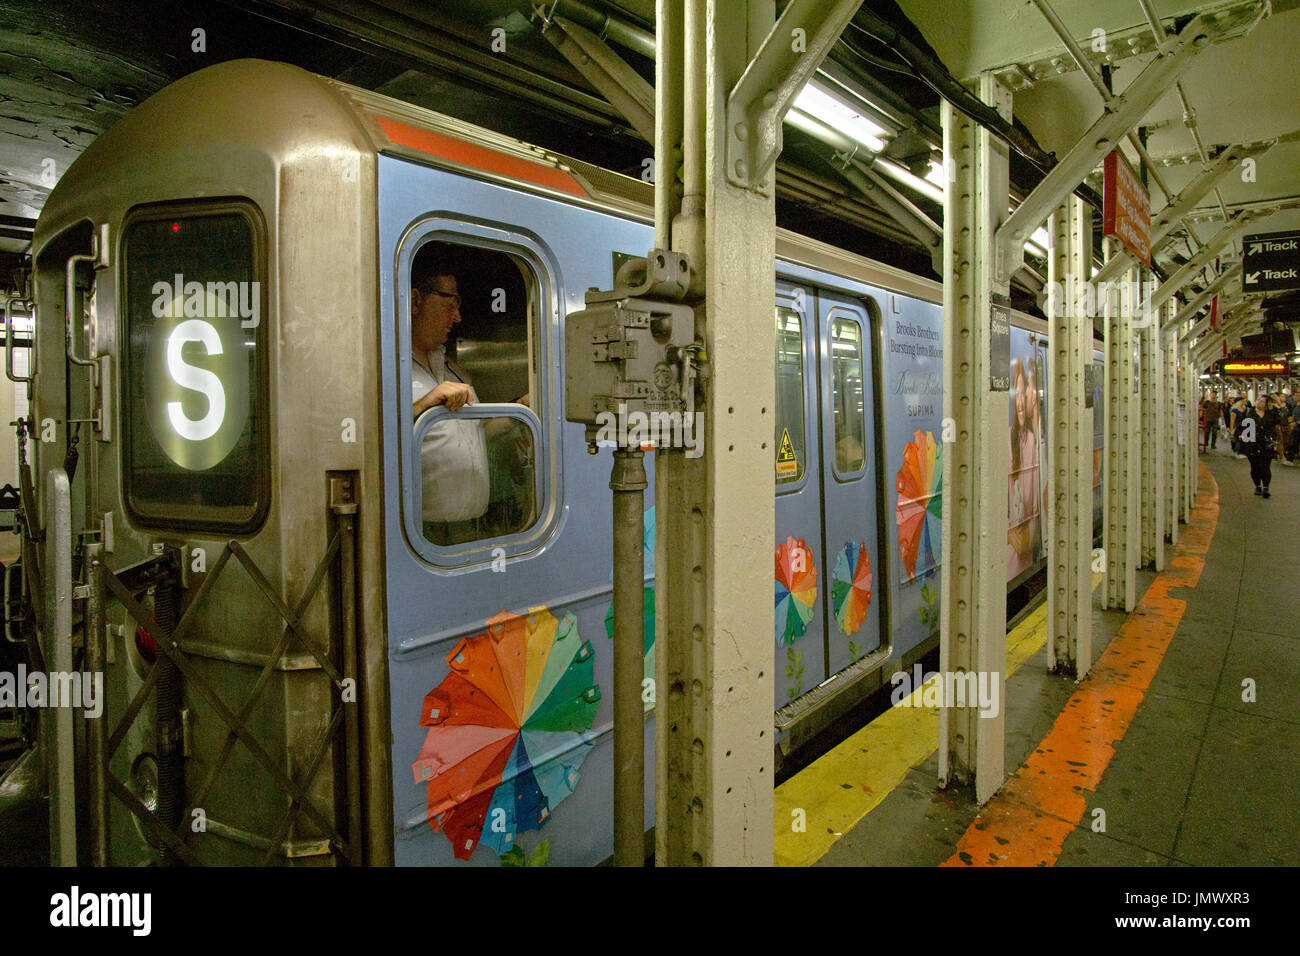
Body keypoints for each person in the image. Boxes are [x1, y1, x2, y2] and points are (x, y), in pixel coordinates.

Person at [410, 253, 490, 545]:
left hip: (476, 525)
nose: (457, 317)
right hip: (426, 533)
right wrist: (424, 404)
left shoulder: (453, 369)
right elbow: (374, 444)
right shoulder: (388, 371)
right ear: (416, 301)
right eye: (450, 304)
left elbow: (480, 431)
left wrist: (520, 409)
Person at [1233, 395, 1280, 498]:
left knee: (1266, 466)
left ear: (1267, 404)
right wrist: (1239, 435)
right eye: (1258, 400)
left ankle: (1266, 487)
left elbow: (1279, 424)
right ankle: (1257, 486)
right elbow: (1240, 426)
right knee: (1255, 466)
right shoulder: (1249, 414)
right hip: (1252, 443)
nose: (1259, 402)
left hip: (1266, 444)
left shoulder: (1271, 414)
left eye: (1262, 401)